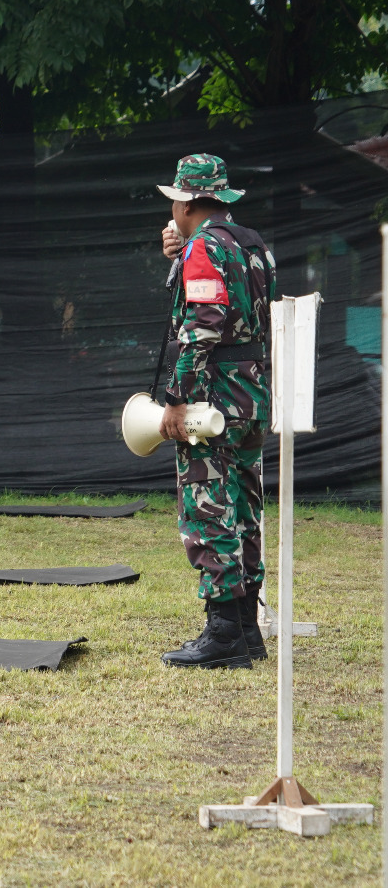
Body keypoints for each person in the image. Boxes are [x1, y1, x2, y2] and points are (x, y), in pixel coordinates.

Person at [154, 154, 274, 670]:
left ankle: (223, 636)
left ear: (185, 201)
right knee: (243, 509)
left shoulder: (204, 247)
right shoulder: (250, 244)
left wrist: (177, 399)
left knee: (208, 510)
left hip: (213, 398)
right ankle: (246, 632)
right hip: (251, 394)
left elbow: (203, 324)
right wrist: (182, 256)